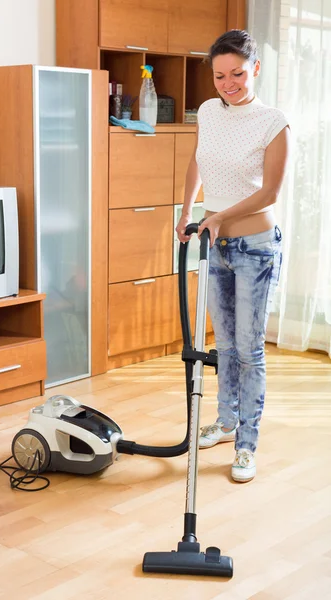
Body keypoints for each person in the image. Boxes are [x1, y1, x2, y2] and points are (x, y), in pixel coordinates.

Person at [176, 29, 290, 483]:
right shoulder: (208, 112)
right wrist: (187, 211)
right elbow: (199, 161)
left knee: (248, 349)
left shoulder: (273, 122)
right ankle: (225, 423)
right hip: (213, 243)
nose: (228, 83)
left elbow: (270, 192)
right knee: (221, 344)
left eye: (237, 73)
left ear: (255, 69)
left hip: (255, 249)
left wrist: (219, 217)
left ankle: (246, 444)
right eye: (220, 75)